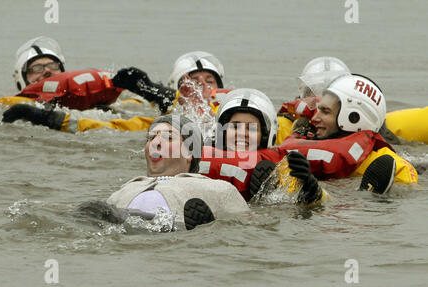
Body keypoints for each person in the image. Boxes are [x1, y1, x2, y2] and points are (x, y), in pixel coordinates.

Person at [78, 114, 250, 231]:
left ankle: (195, 229)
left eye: (168, 137)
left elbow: (248, 228)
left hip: (176, 232)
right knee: (88, 211)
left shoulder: (218, 188)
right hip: (128, 236)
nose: (156, 142)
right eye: (151, 137)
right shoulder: (123, 191)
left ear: (190, 152)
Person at [2, 51, 226, 133]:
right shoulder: (152, 121)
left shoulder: (232, 111)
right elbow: (110, 126)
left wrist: (151, 91)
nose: (203, 87)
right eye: (37, 69)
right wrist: (45, 117)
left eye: (210, 81)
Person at [278, 73, 418, 190]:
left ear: (353, 118)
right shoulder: (300, 157)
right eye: (318, 109)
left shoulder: (396, 168)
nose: (314, 118)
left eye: (325, 111)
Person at [198, 88, 328, 204]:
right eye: (235, 126)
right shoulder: (200, 156)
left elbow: (324, 203)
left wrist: (310, 186)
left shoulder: (277, 167)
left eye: (252, 128)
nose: (242, 133)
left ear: (265, 136)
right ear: (223, 132)